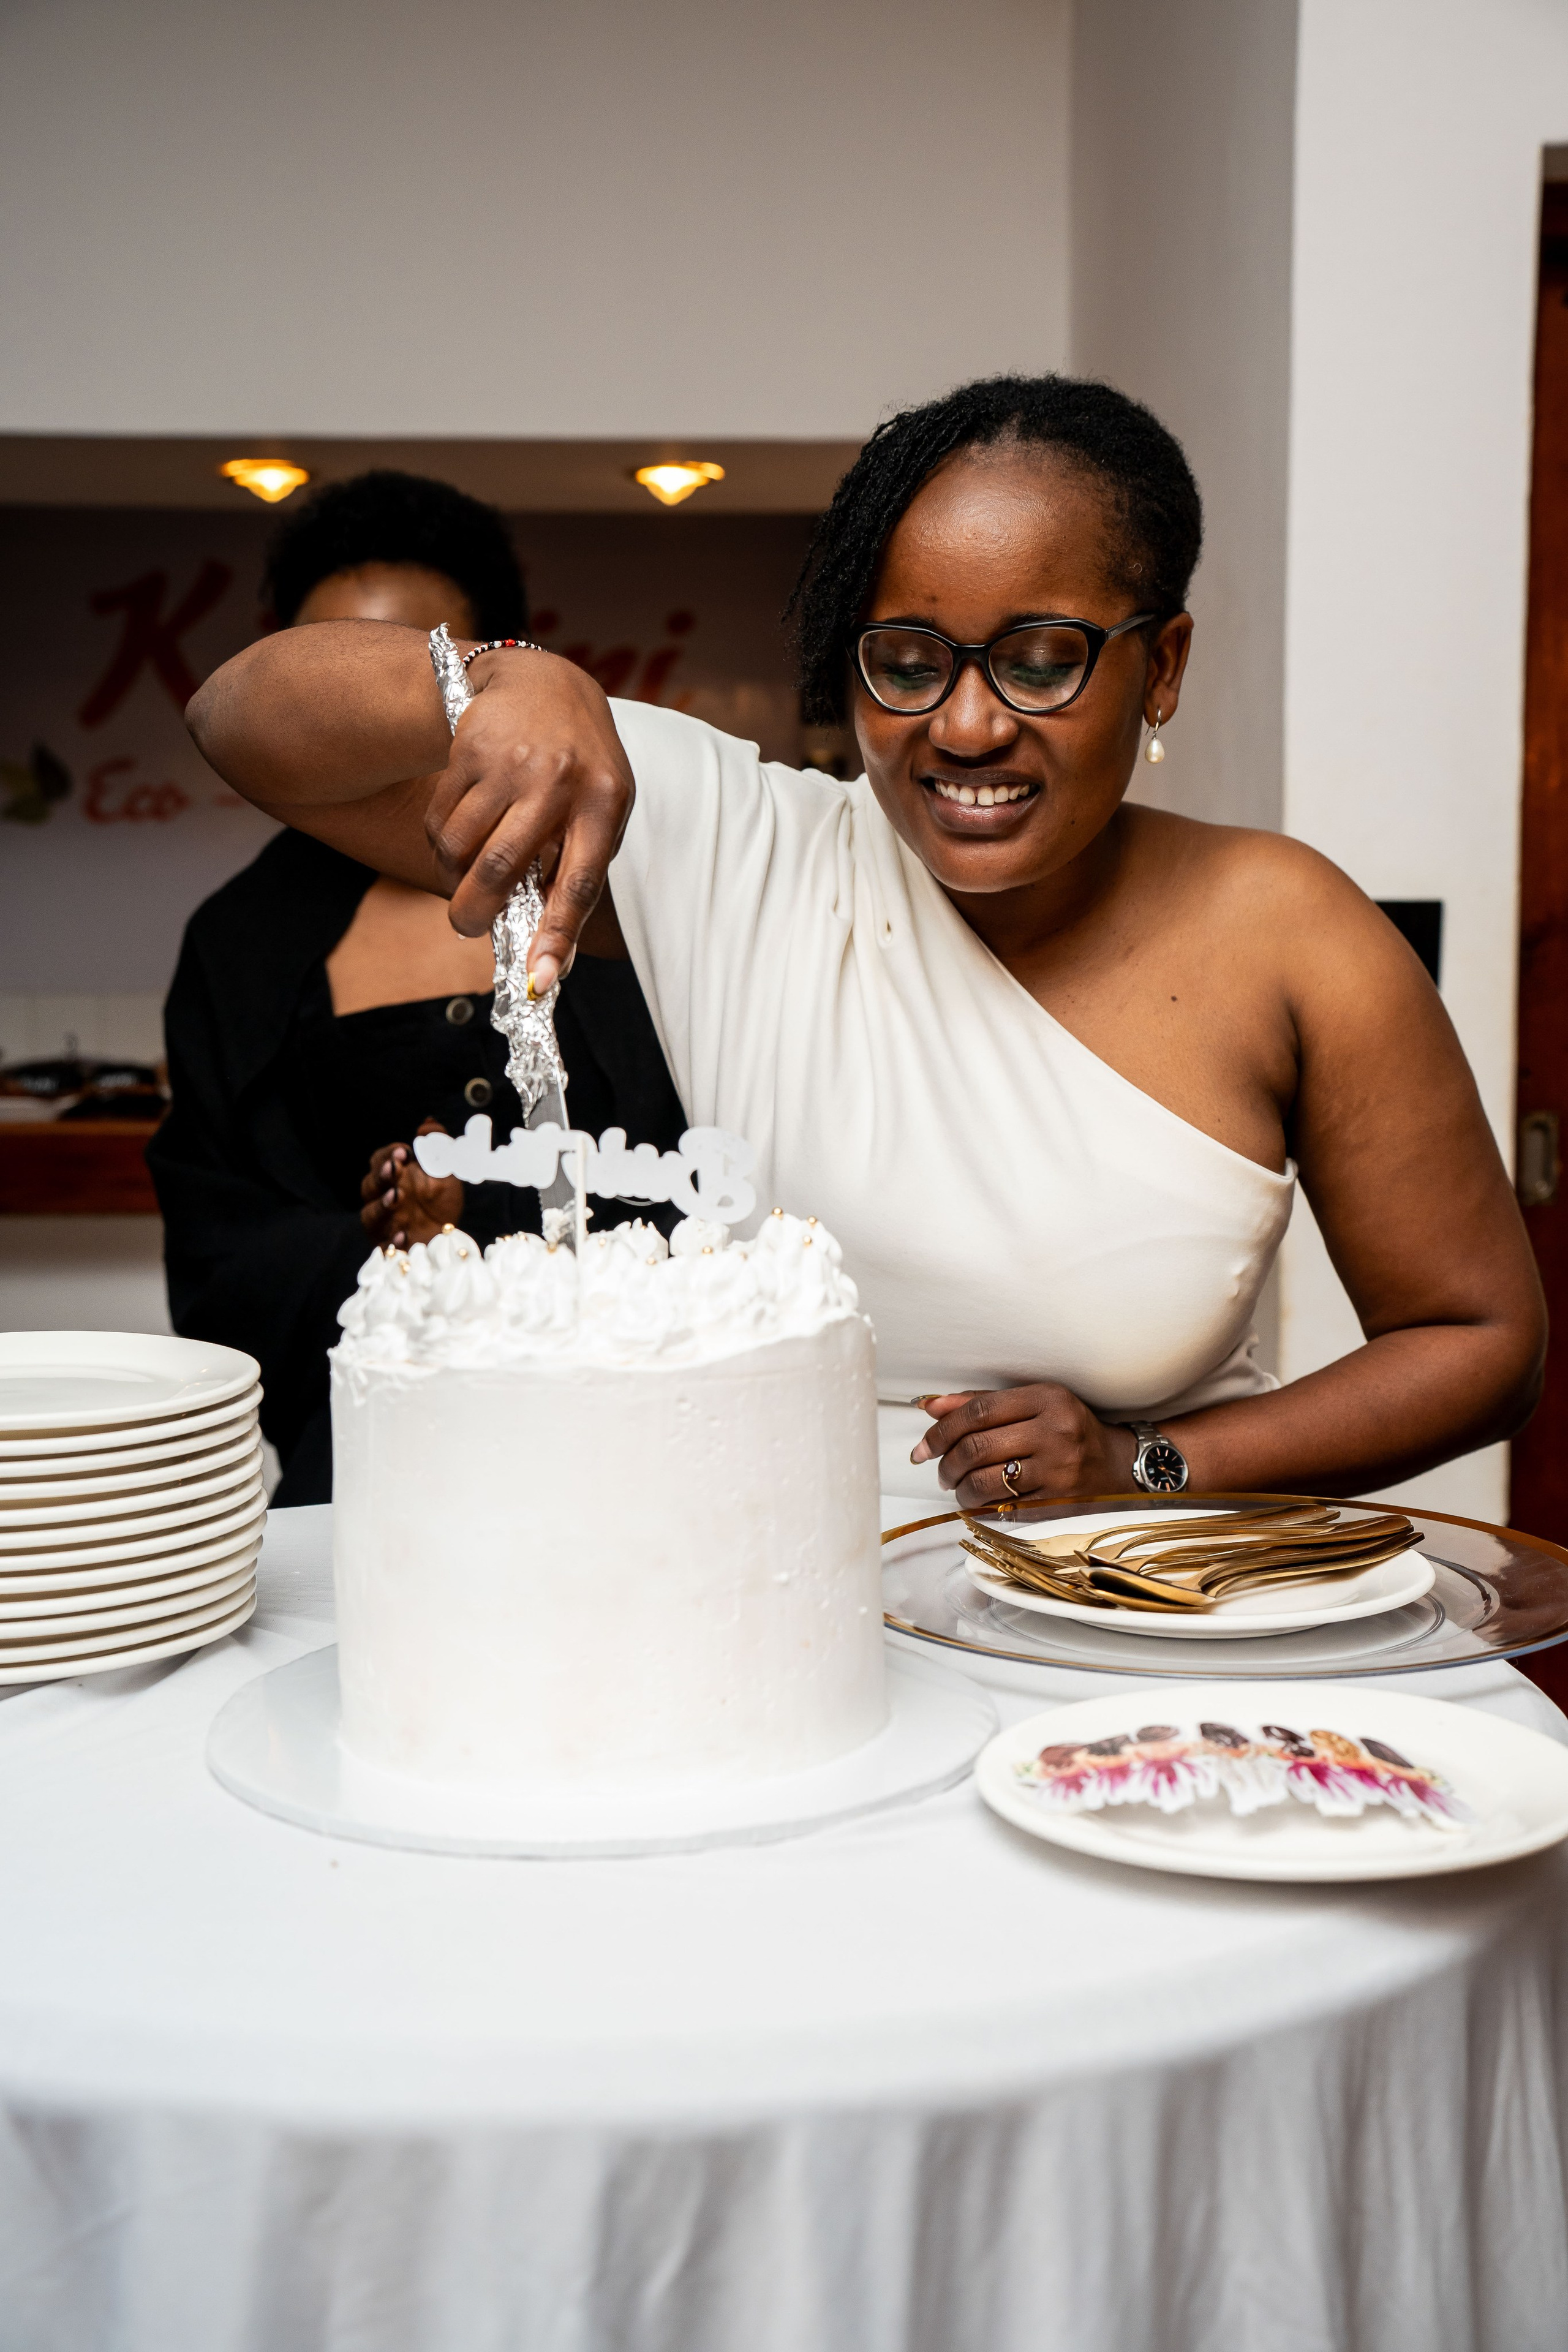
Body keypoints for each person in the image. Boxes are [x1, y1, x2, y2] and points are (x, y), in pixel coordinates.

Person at [186, 379, 1546, 1507]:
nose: (963, 726)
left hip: (1135, 1629)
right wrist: (504, 678)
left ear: (1164, 665)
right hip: (777, 1600)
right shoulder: (739, 843)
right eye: (906, 659)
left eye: (1040, 656)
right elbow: (238, 718)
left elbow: (1476, 1341)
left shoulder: (1292, 931)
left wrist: (1146, 1464)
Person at [150, 470, 685, 1505]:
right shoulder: (243, 940)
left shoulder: (619, 897)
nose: (371, 727)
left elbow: (717, 1165)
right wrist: (392, 1259)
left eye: (409, 683)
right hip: (364, 1462)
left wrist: (492, 1234)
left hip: (637, 1446)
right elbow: (220, 1250)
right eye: (333, 689)